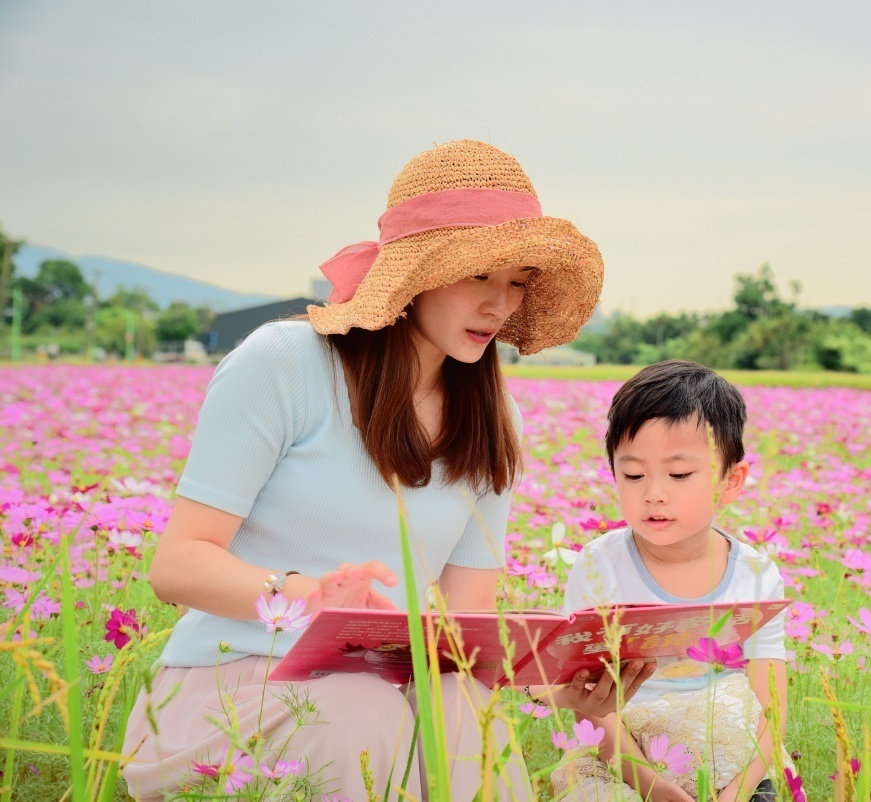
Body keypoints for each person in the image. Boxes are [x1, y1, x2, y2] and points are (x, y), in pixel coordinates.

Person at [122, 139, 655, 802]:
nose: (501, 304)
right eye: (479, 275)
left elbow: (467, 630)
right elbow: (177, 565)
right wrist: (311, 598)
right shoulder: (285, 364)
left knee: (463, 705)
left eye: (517, 281)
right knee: (361, 709)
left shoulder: (493, 417)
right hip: (230, 684)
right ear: (416, 274)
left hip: (383, 681)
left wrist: (566, 688)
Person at [552, 361, 791, 802]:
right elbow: (594, 705)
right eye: (634, 474)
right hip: (624, 762)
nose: (654, 493)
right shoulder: (600, 566)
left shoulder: (756, 575)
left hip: (732, 761)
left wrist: (737, 793)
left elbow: (769, 705)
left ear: (731, 480)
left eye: (679, 474)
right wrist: (652, 787)